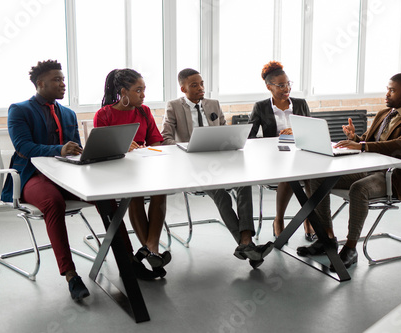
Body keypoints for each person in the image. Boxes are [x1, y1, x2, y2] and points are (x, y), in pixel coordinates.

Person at [297, 73, 401, 270]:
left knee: (359, 189)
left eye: (392, 90)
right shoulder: (384, 114)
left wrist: (361, 145)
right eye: (387, 89)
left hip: (391, 176)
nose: (387, 94)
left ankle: (350, 248)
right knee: (318, 178)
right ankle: (327, 238)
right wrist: (356, 138)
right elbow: (369, 142)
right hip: (367, 168)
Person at [162, 68, 274, 269]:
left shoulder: (212, 104)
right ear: (183, 88)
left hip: (220, 161)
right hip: (194, 166)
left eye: (202, 84)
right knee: (221, 195)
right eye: (194, 85)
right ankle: (247, 245)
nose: (200, 88)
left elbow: (224, 129)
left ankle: (246, 241)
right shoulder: (174, 106)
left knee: (244, 183)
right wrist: (185, 148)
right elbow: (166, 138)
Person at [3, 60, 90, 301]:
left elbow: (75, 147)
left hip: (66, 175)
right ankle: (71, 275)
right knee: (53, 203)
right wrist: (59, 149)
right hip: (32, 175)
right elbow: (23, 147)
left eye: (63, 79)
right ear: (40, 84)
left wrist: (81, 151)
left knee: (107, 196)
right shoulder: (19, 110)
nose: (63, 84)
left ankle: (128, 258)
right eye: (57, 80)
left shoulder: (69, 113)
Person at [94, 68, 170, 276]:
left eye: (144, 90)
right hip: (117, 171)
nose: (143, 95)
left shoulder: (144, 111)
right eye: (138, 90)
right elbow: (100, 148)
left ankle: (150, 248)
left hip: (143, 167)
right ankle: (151, 249)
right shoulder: (104, 114)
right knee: (134, 195)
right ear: (124, 92)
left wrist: (147, 149)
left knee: (160, 190)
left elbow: (156, 141)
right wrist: (123, 145)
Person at [248, 61, 315, 241]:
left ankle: (310, 218)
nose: (286, 89)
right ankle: (279, 220)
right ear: (269, 86)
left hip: (300, 153)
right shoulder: (261, 107)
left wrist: (297, 130)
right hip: (274, 158)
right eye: (280, 85)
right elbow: (249, 136)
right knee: (290, 175)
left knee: (312, 176)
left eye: (287, 84)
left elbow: (311, 130)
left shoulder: (300, 104)